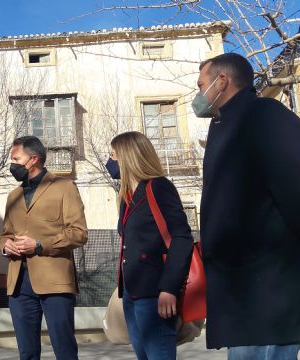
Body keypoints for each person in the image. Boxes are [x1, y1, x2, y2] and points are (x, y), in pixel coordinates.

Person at [195, 52, 300, 359]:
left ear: (222, 81)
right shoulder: (226, 123)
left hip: (267, 291)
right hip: (242, 292)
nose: (198, 94)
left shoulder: (263, 114)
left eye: (202, 84)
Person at [0, 136, 87, 360]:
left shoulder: (64, 187)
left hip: (55, 281)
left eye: (16, 159)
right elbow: (5, 234)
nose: (13, 164)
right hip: (19, 284)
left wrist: (39, 245)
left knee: (64, 348)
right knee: (26, 352)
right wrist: (5, 245)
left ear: (34, 159)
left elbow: (79, 233)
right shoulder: (13, 196)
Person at [108, 131, 193, 360]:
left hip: (155, 292)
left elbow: (182, 238)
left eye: (113, 156)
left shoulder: (159, 187)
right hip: (131, 292)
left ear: (128, 157)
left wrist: (169, 288)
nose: (110, 162)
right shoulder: (127, 196)